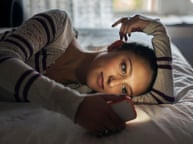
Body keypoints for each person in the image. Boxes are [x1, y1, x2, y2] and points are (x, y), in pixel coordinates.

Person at [0, 9, 174, 136]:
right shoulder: (58, 26)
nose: (113, 83)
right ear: (115, 46)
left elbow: (163, 97)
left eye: (124, 90)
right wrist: (74, 106)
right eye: (123, 67)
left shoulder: (85, 92)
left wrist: (160, 34)